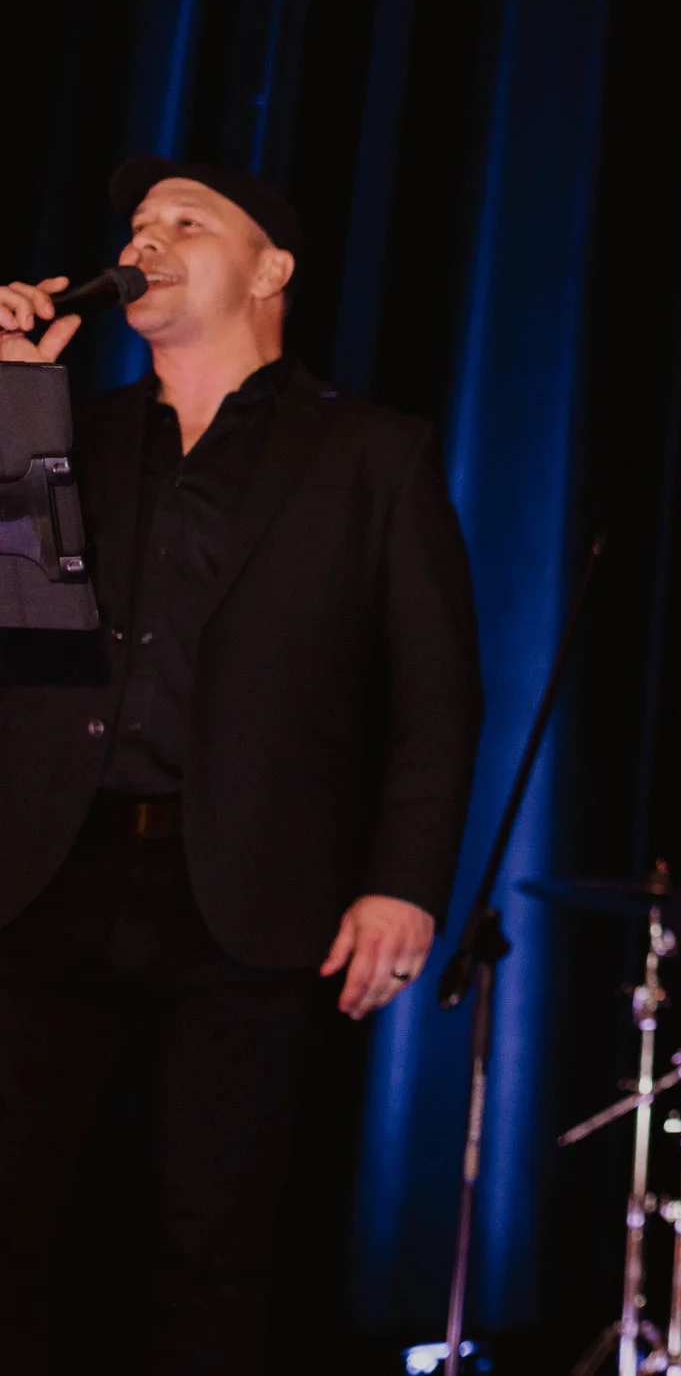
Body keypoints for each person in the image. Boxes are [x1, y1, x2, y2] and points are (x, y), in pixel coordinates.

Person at [0, 159, 484, 1376]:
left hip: (248, 896)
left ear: (271, 270)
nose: (144, 242)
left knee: (208, 1247)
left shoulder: (370, 453)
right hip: (51, 876)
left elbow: (435, 692)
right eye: (135, 225)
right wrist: (16, 403)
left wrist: (403, 881)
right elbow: (24, 639)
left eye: (186, 221)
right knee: (14, 1227)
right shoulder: (68, 433)